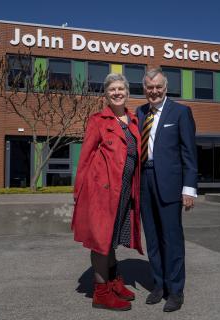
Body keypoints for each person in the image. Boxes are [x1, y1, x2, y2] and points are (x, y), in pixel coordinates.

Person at [72, 73, 143, 311]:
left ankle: (113, 281)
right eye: (112, 89)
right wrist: (79, 192)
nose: (116, 92)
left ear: (127, 93)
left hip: (124, 191)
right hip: (101, 191)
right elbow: (85, 159)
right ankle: (101, 292)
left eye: (121, 88)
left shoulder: (133, 120)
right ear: (106, 94)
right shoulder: (98, 120)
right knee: (101, 241)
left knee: (111, 239)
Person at [136, 68, 198, 312]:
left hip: (170, 184)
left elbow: (189, 155)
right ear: (144, 89)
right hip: (144, 181)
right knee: (152, 238)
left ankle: (175, 290)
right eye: (150, 87)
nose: (154, 91)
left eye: (158, 87)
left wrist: (189, 189)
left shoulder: (181, 112)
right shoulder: (140, 112)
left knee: (171, 239)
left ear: (165, 87)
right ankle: (158, 284)